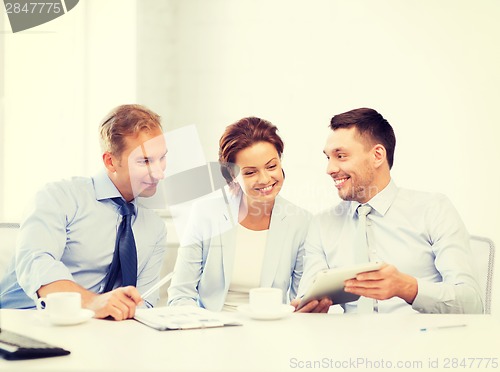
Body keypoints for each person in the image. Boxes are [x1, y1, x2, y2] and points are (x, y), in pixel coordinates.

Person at [292, 108, 483, 314]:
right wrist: (309, 309)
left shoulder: (433, 209)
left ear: (377, 156)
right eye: (328, 157)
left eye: (341, 156)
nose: (329, 169)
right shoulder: (321, 225)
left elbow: (472, 303)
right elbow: (307, 297)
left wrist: (407, 287)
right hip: (349, 344)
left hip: (420, 342)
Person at [0, 104, 168, 320]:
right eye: (145, 161)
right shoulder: (59, 197)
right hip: (24, 322)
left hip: (98, 333)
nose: (159, 173)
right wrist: (93, 302)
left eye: (161, 158)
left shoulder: (154, 227)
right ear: (110, 161)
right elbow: (37, 263)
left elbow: (145, 303)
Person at [167, 117, 311, 311]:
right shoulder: (205, 215)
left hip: (272, 331)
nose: (265, 179)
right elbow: (181, 294)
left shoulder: (301, 221)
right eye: (250, 173)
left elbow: (301, 299)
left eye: (271, 166)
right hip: (211, 329)